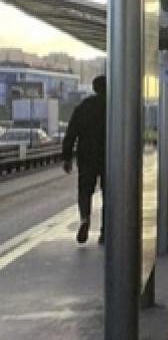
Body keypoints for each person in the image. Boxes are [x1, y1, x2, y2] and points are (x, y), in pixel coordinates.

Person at [63, 75, 107, 244]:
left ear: (94, 88)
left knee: (85, 190)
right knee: (109, 193)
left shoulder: (84, 107)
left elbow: (71, 132)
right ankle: (105, 230)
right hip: (108, 155)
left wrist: (67, 157)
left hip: (86, 155)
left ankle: (85, 219)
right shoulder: (113, 105)